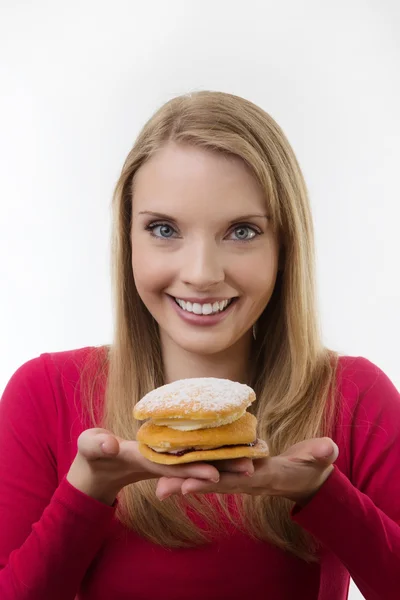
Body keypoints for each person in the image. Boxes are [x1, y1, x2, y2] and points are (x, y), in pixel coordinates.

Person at [0, 91, 399, 600]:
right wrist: (88, 490)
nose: (202, 274)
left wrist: (323, 495)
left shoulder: (352, 396)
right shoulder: (44, 393)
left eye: (242, 231)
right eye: (164, 229)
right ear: (128, 240)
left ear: (285, 246)